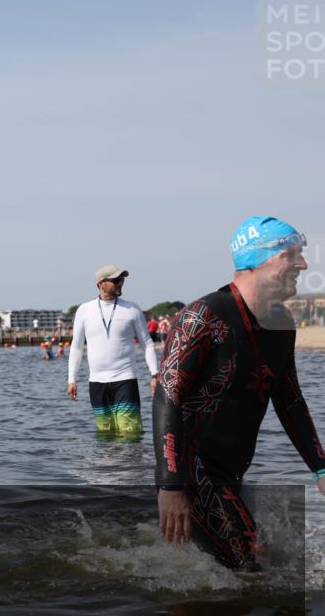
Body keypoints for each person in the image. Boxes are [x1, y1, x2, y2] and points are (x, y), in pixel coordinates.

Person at [154, 216, 325, 570]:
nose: (303, 264)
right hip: (192, 470)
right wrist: (170, 486)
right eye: (291, 255)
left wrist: (320, 469)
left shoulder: (280, 322)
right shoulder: (202, 317)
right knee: (252, 562)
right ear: (258, 261)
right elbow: (167, 398)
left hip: (231, 469)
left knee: (257, 564)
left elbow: (289, 399)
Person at [66, 265, 159, 432]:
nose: (120, 283)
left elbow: (146, 343)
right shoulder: (84, 310)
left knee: (129, 432)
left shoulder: (132, 309)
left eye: (122, 280)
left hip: (125, 379)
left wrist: (154, 374)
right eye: (116, 280)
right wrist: (71, 379)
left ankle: (131, 459)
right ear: (101, 284)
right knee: (105, 434)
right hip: (96, 382)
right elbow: (77, 347)